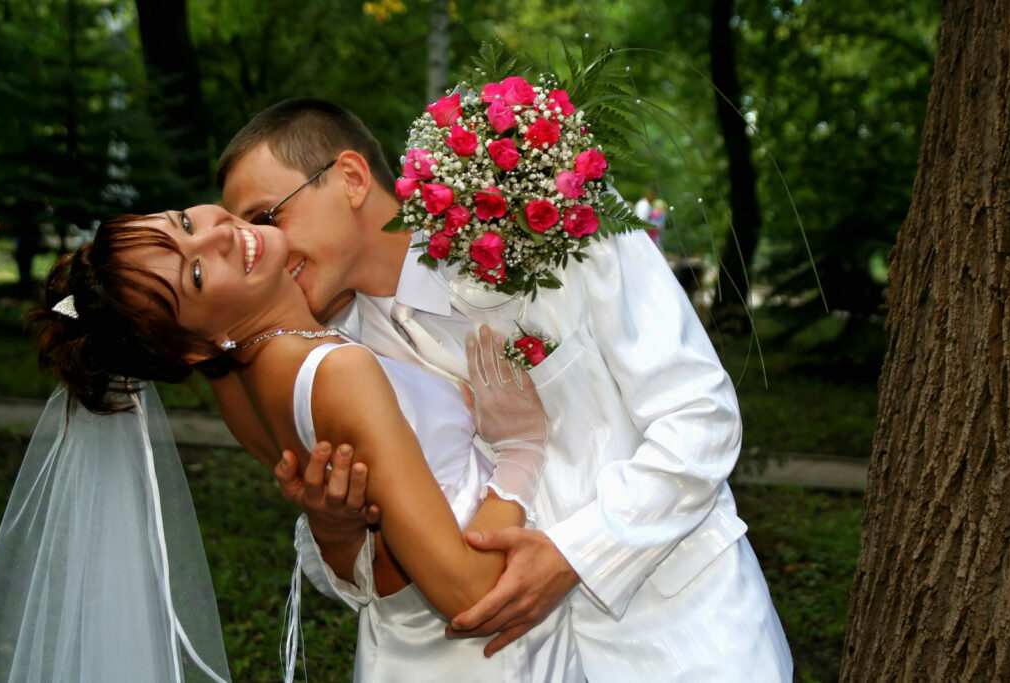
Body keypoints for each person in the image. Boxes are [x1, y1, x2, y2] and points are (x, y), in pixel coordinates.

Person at [217, 98, 793, 680]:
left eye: (267, 217)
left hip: (685, 635)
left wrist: (578, 554)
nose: (263, 249)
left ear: (350, 178)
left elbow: (700, 416)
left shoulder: (544, 196)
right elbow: (376, 590)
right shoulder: (328, 360)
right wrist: (339, 536)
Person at [0, 206, 582, 681]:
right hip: (499, 659)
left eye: (185, 222)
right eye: (196, 275)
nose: (222, 234)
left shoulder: (245, 382)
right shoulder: (337, 373)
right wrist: (522, 449)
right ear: (195, 347)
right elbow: (470, 593)